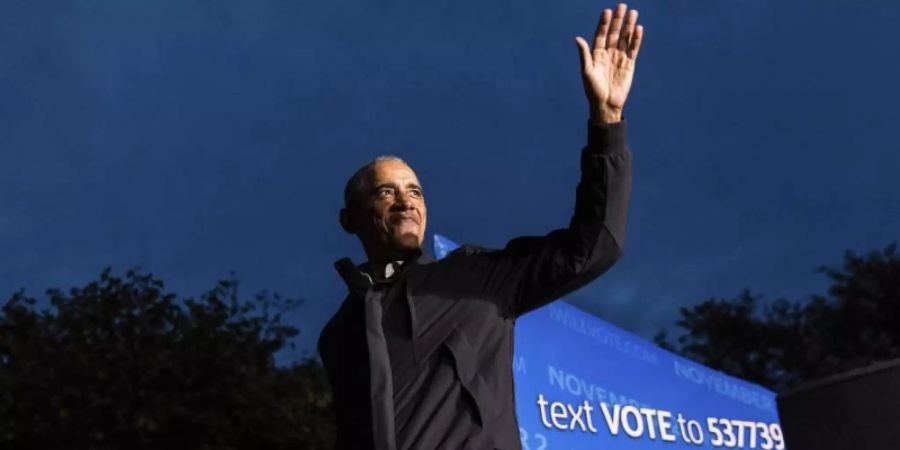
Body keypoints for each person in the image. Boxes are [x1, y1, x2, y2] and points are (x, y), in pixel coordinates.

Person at [317, 3, 643, 449]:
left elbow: (596, 244)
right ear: (349, 220)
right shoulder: (339, 333)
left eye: (414, 191)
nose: (405, 203)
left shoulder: (475, 277)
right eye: (385, 192)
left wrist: (606, 123)